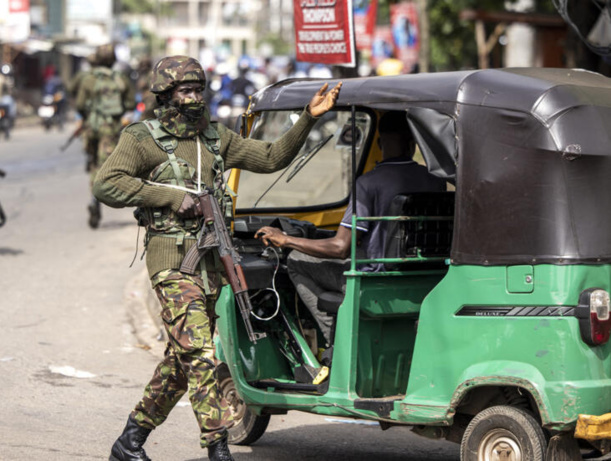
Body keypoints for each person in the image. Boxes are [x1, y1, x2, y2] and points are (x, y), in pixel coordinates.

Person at [93, 55, 341, 461]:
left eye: (198, 90)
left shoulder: (214, 137)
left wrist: (308, 119)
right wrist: (169, 196)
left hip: (210, 265)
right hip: (171, 263)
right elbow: (106, 184)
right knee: (201, 353)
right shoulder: (141, 138)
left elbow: (271, 157)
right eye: (185, 91)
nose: (194, 98)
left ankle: (130, 440)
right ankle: (217, 446)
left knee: (182, 361)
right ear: (166, 95)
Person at [255, 111, 446, 342]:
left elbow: (340, 248)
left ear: (379, 143)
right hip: (423, 276)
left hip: (375, 280)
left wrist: (286, 240)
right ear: (412, 143)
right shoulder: (435, 180)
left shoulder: (368, 183)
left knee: (296, 259)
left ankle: (334, 339)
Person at [76, 43, 136, 229]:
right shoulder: (120, 79)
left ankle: (93, 199)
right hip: (110, 130)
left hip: (91, 129)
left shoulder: (89, 79)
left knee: (94, 164)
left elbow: (80, 105)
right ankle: (96, 199)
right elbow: (131, 104)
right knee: (104, 167)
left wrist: (89, 116)